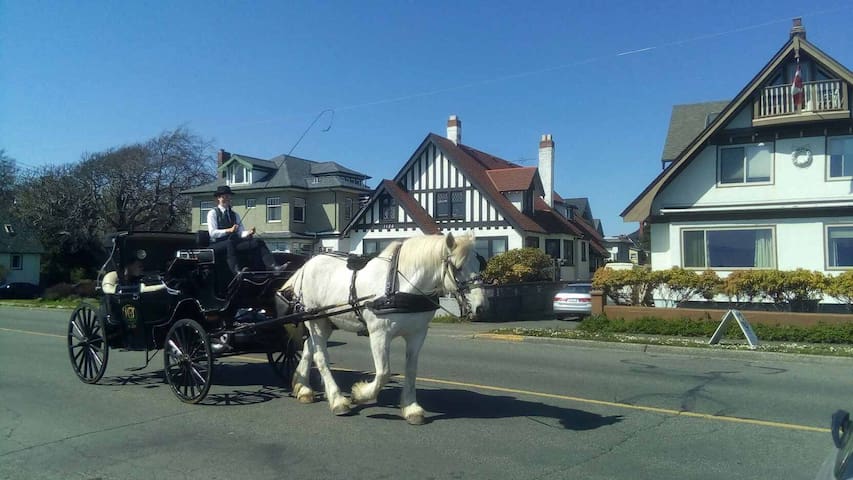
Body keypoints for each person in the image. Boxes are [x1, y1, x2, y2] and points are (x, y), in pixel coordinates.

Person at [207, 185, 282, 274]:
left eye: (229, 196)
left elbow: (240, 232)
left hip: (234, 242)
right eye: (225, 196)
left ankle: (273, 267)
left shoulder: (235, 214)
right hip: (217, 244)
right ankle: (236, 271)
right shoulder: (212, 213)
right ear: (219, 198)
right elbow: (212, 233)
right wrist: (228, 230)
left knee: (258, 242)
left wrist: (248, 232)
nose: (227, 198)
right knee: (229, 243)